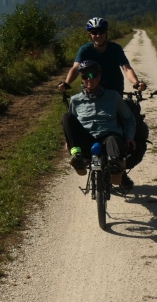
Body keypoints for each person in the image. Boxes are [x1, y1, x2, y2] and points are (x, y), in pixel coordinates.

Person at [57, 17, 148, 189]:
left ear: (106, 33)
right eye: (94, 33)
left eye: (101, 32)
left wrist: (136, 83)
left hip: (113, 92)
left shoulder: (115, 49)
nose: (97, 35)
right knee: (69, 117)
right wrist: (67, 84)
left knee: (122, 125)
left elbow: (126, 68)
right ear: (90, 35)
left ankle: (120, 170)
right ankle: (80, 158)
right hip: (91, 93)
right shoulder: (85, 50)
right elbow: (76, 68)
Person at [62, 60, 136, 188]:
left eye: (92, 75)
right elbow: (71, 125)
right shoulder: (75, 100)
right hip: (87, 138)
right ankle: (78, 158)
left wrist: (129, 136)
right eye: (85, 76)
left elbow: (129, 119)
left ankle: (116, 169)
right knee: (66, 117)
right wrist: (69, 140)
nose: (89, 79)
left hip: (109, 137)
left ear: (99, 76)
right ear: (81, 79)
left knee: (113, 140)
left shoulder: (113, 96)